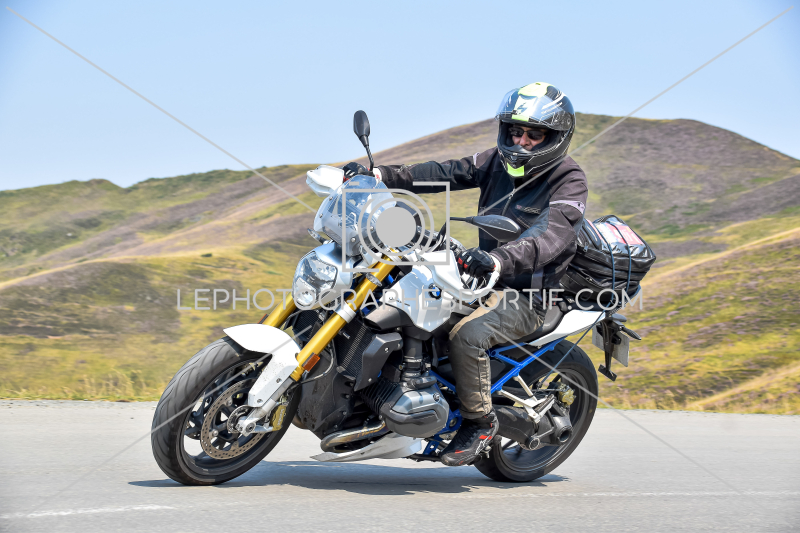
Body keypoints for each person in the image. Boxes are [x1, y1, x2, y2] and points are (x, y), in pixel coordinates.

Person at [343, 82, 588, 466]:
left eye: (534, 135)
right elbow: (445, 172)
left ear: (555, 138)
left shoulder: (568, 180)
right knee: (402, 294)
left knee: (468, 335)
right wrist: (378, 175)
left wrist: (499, 259)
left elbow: (550, 235)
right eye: (515, 131)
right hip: (482, 278)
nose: (521, 141)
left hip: (529, 295)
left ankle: (480, 422)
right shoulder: (495, 161)